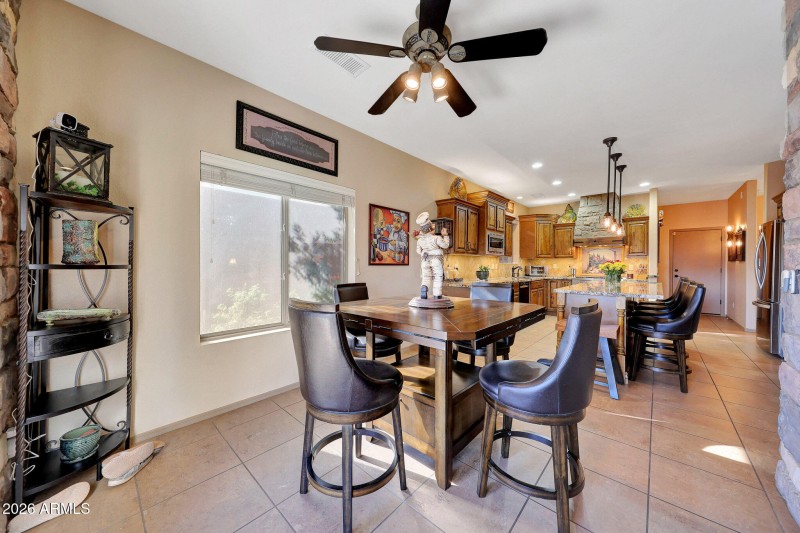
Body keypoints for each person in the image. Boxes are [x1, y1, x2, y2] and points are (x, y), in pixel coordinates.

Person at [415, 212, 450, 299]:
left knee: (426, 277)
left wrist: (426, 252)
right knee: (438, 277)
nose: (434, 228)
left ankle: (424, 287)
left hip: (425, 260)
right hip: (436, 260)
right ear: (430, 229)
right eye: (433, 226)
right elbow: (445, 245)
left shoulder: (419, 240)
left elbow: (418, 251)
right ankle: (437, 295)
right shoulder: (437, 238)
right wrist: (445, 236)